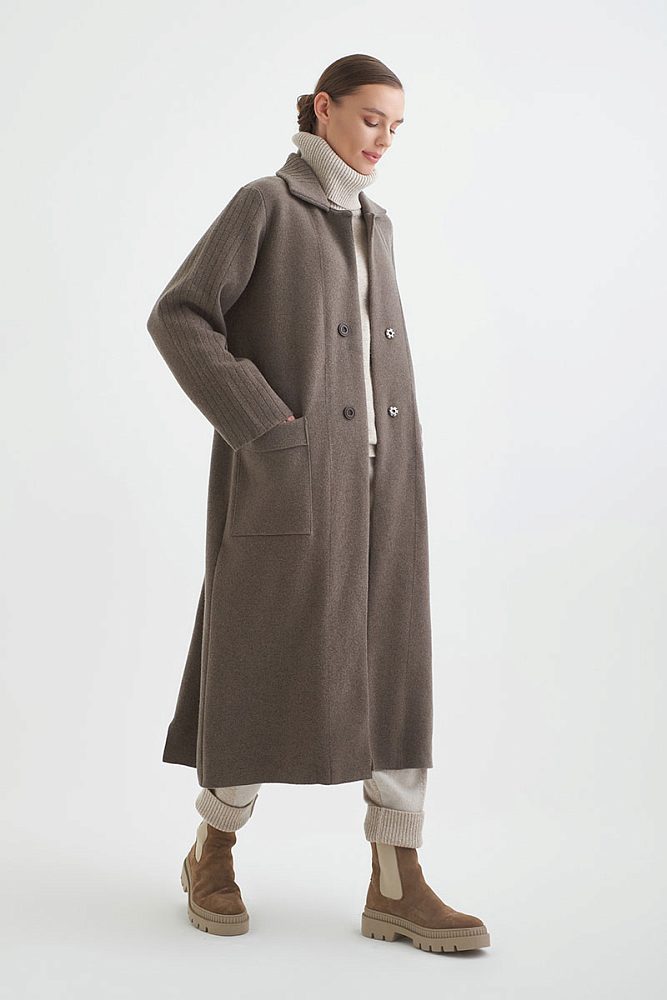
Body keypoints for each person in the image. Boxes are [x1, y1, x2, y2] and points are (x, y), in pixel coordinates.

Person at [147, 52, 490, 953]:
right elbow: (179, 315)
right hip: (293, 476)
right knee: (258, 650)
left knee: (395, 664)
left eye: (397, 127)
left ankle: (396, 878)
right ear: (324, 109)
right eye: (372, 118)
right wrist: (263, 424)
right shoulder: (265, 204)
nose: (384, 139)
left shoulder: (377, 223)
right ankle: (213, 848)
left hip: (386, 482)